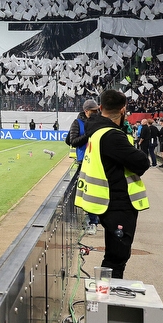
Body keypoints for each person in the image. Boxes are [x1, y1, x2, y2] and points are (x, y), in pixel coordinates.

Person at [75, 89, 150, 279]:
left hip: (108, 200)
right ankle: (108, 299)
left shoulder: (99, 131)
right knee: (116, 258)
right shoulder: (111, 135)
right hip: (117, 201)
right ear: (123, 109)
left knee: (114, 256)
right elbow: (142, 162)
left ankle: (107, 298)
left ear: (101, 108)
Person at [67, 99, 101, 235]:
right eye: (93, 111)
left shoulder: (99, 122)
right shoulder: (77, 123)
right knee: (85, 191)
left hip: (98, 160)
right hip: (84, 161)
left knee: (95, 191)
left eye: (96, 110)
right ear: (86, 111)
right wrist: (88, 135)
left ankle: (92, 219)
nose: (95, 113)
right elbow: (73, 141)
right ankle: (92, 220)